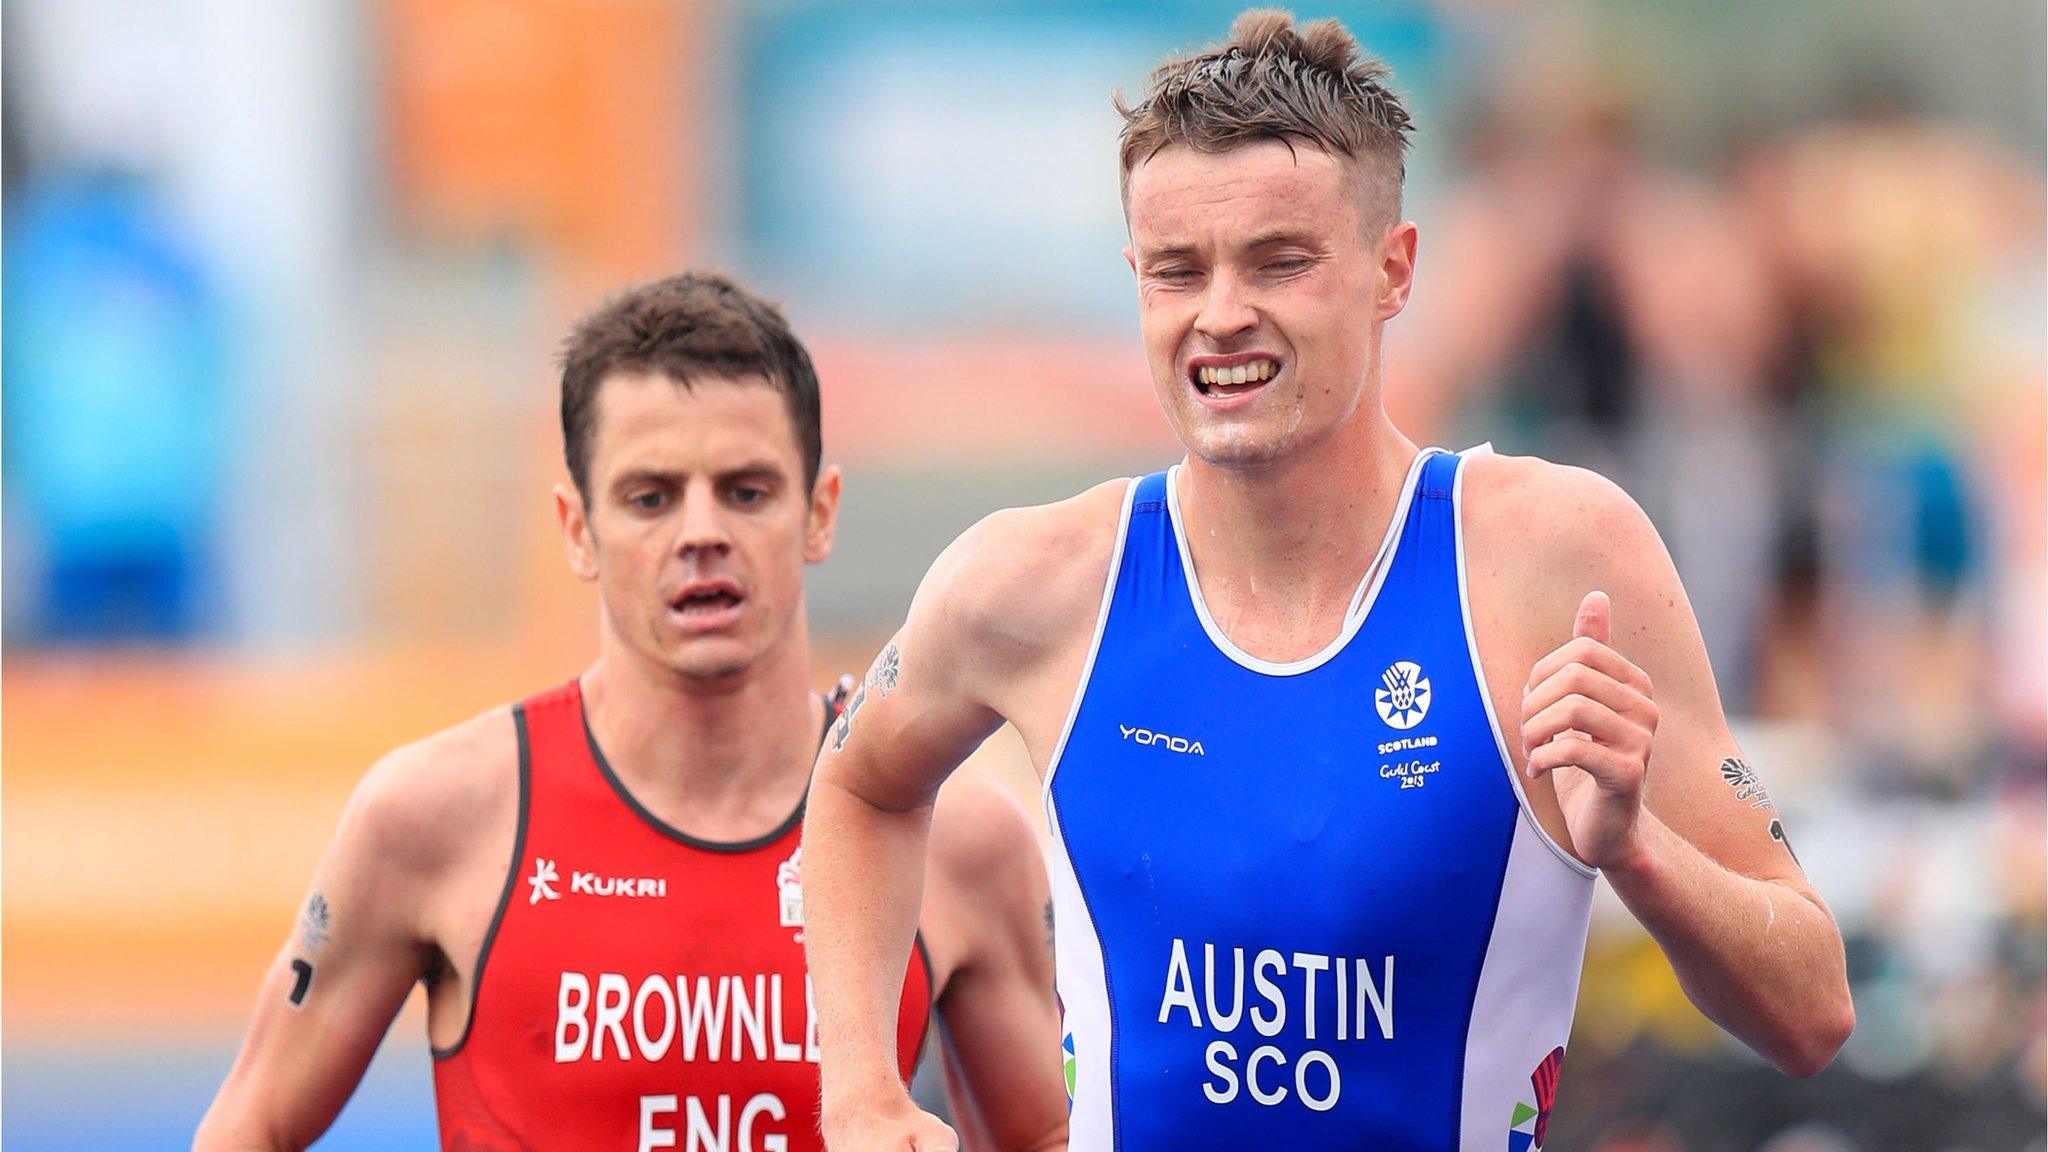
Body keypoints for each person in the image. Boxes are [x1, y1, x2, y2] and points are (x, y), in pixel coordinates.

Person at [802, 11, 1855, 1150]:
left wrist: (1636, 851)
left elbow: (1810, 1011)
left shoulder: (1549, 558)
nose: (1219, 316)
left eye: (1277, 261)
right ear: (1135, 281)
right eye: (1175, 271)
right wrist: (858, 1088)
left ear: (1390, 271)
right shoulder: (1037, 581)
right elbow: (858, 784)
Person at [194, 273, 1069, 1152]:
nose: (701, 532)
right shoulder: (436, 817)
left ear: (819, 512)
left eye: (747, 490)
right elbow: (249, 1128)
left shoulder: (958, 840)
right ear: (577, 528)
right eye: (650, 496)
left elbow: (1049, 1140)